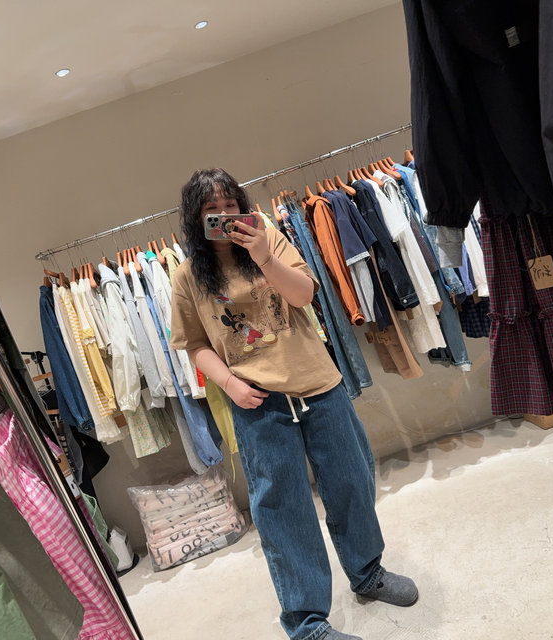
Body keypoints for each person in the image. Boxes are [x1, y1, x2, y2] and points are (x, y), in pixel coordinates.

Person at [170, 168, 418, 640]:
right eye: (210, 210)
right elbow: (194, 344)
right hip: (257, 402)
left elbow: (304, 294)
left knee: (352, 481)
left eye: (229, 205)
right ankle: (306, 623)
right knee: (282, 509)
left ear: (242, 206)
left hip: (318, 384)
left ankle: (368, 574)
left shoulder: (269, 239)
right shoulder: (187, 276)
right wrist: (229, 384)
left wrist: (263, 255)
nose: (223, 215)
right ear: (195, 219)